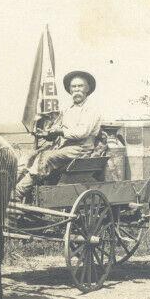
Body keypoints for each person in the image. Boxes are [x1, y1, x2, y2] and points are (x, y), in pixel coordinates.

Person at [13, 70, 103, 201]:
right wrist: (47, 133)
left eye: (80, 86)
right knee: (31, 156)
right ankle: (15, 187)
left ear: (87, 89)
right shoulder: (67, 109)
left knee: (47, 158)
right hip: (64, 147)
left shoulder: (92, 109)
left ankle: (18, 193)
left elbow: (82, 132)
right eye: (73, 87)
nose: (76, 90)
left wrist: (60, 132)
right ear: (69, 90)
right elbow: (57, 127)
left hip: (81, 149)